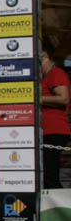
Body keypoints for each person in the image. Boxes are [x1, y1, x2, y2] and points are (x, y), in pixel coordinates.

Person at [40, 35, 70, 189]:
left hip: (55, 130)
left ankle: (57, 202)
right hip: (46, 130)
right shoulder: (44, 77)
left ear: (45, 55)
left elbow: (64, 98)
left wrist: (38, 98)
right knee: (47, 174)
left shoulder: (55, 73)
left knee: (50, 174)